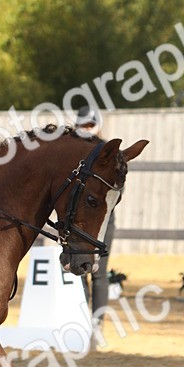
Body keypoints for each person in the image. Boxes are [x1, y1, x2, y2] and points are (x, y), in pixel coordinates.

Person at [73, 104, 115, 348]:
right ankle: (83, 323)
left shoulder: (108, 153)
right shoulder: (74, 152)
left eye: (91, 124)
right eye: (83, 125)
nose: (87, 129)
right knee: (78, 273)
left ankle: (98, 326)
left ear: (98, 124)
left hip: (102, 221)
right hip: (77, 221)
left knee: (99, 274)